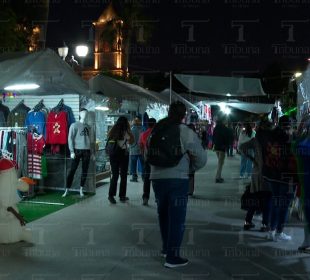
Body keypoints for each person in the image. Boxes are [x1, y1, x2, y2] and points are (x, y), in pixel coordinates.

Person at [150, 101, 207, 268]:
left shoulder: (157, 129)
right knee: (177, 218)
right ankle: (173, 257)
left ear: (169, 112)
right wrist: (190, 168)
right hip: (178, 178)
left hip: (157, 178)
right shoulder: (184, 131)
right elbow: (201, 158)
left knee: (163, 213)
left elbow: (148, 151)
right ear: (184, 115)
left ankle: (166, 248)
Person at [260, 115, 298, 241]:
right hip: (285, 179)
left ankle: (271, 230)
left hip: (271, 176)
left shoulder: (270, 136)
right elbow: (293, 161)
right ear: (290, 126)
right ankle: (279, 232)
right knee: (284, 206)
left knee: (276, 203)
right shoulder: (291, 139)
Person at [239, 119, 272, 231]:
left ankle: (247, 222)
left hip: (257, 173)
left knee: (255, 198)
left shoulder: (255, 140)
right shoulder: (272, 140)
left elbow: (241, 147)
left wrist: (252, 159)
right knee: (267, 200)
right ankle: (264, 224)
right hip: (268, 174)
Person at [63, 109, 94, 198]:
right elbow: (70, 139)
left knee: (85, 171)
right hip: (77, 150)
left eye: (86, 113)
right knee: (72, 170)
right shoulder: (74, 125)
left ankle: (81, 189)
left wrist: (92, 152)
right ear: (80, 114)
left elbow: (91, 140)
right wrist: (71, 151)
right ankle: (67, 189)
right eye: (83, 113)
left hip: (87, 151)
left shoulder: (88, 127)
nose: (85, 114)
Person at [107, 116, 134, 204]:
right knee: (123, 176)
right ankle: (122, 196)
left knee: (114, 176)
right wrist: (129, 130)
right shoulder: (126, 132)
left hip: (113, 155)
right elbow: (132, 141)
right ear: (126, 123)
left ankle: (111, 196)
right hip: (123, 155)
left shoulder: (112, 131)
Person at [138, 118, 156, 206]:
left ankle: (145, 198)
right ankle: (158, 198)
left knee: (147, 179)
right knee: (157, 178)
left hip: (147, 159)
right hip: (157, 160)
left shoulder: (143, 134)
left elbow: (140, 146)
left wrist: (143, 156)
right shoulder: (158, 134)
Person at [212, 117, 229, 183]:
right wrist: (226, 145)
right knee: (220, 163)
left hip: (216, 147)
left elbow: (213, 137)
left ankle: (219, 176)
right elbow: (226, 138)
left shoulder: (216, 128)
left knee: (220, 162)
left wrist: (214, 144)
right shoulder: (224, 128)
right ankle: (217, 177)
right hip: (222, 147)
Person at [129, 117, 143, 182]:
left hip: (133, 149)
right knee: (143, 164)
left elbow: (129, 140)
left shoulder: (131, 130)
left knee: (133, 165)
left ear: (133, 122)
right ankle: (144, 176)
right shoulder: (142, 129)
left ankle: (134, 177)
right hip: (141, 149)